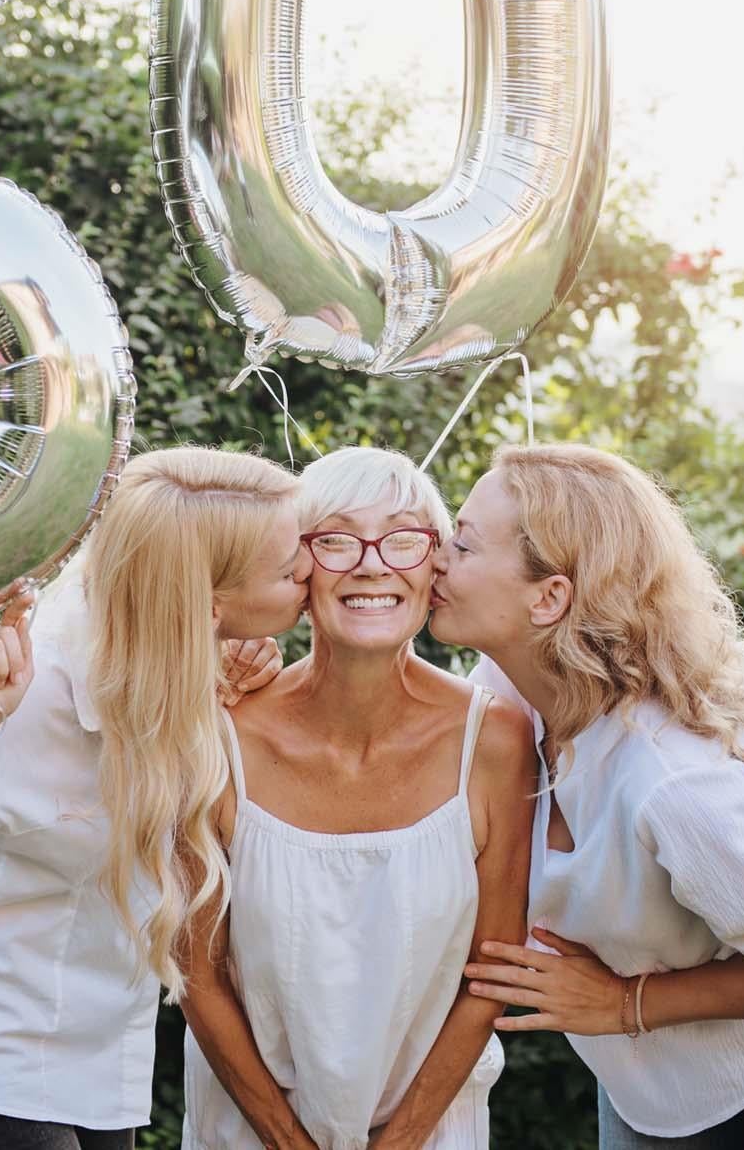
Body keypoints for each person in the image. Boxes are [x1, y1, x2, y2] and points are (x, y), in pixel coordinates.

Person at [428, 443, 744, 1149]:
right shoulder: (501, 700)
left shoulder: (669, 778)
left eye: (464, 544)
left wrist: (620, 1001)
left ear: (549, 598)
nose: (436, 558)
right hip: (662, 1063)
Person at [0, 447, 312, 1150]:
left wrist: (224, 677)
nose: (312, 574)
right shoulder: (27, 690)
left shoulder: (179, 670)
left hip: (104, 1074)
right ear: (207, 601)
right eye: (291, 568)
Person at [181, 446, 536, 1150]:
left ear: (435, 568)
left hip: (433, 1131)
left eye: (404, 539)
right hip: (249, 1133)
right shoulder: (218, 736)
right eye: (337, 540)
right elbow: (198, 971)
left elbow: (490, 974)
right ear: (298, 568)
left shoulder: (494, 737)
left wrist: (400, 1142)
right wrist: (288, 1141)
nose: (373, 564)